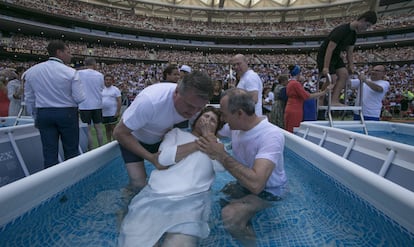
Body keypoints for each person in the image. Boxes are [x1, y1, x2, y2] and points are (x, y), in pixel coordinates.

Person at [118, 106, 225, 247]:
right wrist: (197, 143)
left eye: (212, 121)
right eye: (205, 117)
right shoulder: (176, 134)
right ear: (197, 120)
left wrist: (210, 140)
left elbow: (221, 168)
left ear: (216, 129)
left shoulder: (217, 145)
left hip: (191, 203)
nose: (207, 121)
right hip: (156, 196)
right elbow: (162, 159)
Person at [197, 88, 287, 246]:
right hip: (244, 185)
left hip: (269, 192)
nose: (222, 119)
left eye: (224, 114)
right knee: (208, 199)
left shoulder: (271, 135)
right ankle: (246, 224)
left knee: (230, 215)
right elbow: (210, 130)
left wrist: (221, 155)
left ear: (239, 113)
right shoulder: (237, 127)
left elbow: (257, 184)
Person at [113, 71, 214, 193]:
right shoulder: (150, 102)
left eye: (199, 108)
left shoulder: (194, 105)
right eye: (189, 105)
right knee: (138, 183)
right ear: (176, 92)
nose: (193, 112)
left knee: (174, 179)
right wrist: (151, 158)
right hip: (133, 139)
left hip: (161, 139)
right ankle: (124, 208)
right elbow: (119, 133)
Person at [24, 40, 85, 168]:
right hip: (66, 112)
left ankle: (52, 184)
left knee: (49, 153)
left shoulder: (32, 71)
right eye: (68, 52)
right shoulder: (70, 72)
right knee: (71, 151)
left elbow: (29, 99)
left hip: (43, 113)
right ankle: (73, 180)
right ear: (59, 52)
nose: (71, 55)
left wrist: (35, 117)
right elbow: (79, 98)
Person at [317, 11, 377, 106]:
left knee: (344, 75)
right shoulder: (341, 30)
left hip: (336, 56)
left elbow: (350, 52)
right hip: (325, 55)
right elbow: (330, 49)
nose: (366, 29)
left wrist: (351, 65)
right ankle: (320, 98)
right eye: (367, 25)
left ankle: (334, 100)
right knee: (332, 78)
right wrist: (325, 67)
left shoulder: (353, 35)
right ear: (362, 20)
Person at [284, 65, 332, 133]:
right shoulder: (295, 84)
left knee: (289, 129)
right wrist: (324, 92)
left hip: (291, 108)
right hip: (295, 110)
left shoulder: (290, 83)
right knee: (294, 130)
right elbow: (307, 96)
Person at [78, 57, 105, 150]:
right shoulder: (100, 75)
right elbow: (102, 88)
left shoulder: (79, 73)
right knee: (98, 128)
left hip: (84, 105)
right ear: (94, 64)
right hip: (97, 104)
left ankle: (91, 149)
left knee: (88, 129)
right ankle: (101, 147)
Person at [102, 74, 121, 142]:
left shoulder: (116, 89)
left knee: (114, 129)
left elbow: (119, 101)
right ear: (104, 81)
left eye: (110, 80)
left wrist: (118, 112)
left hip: (113, 113)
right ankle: (108, 142)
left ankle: (115, 142)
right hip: (104, 113)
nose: (108, 81)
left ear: (112, 81)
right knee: (107, 129)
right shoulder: (101, 89)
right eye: (106, 80)